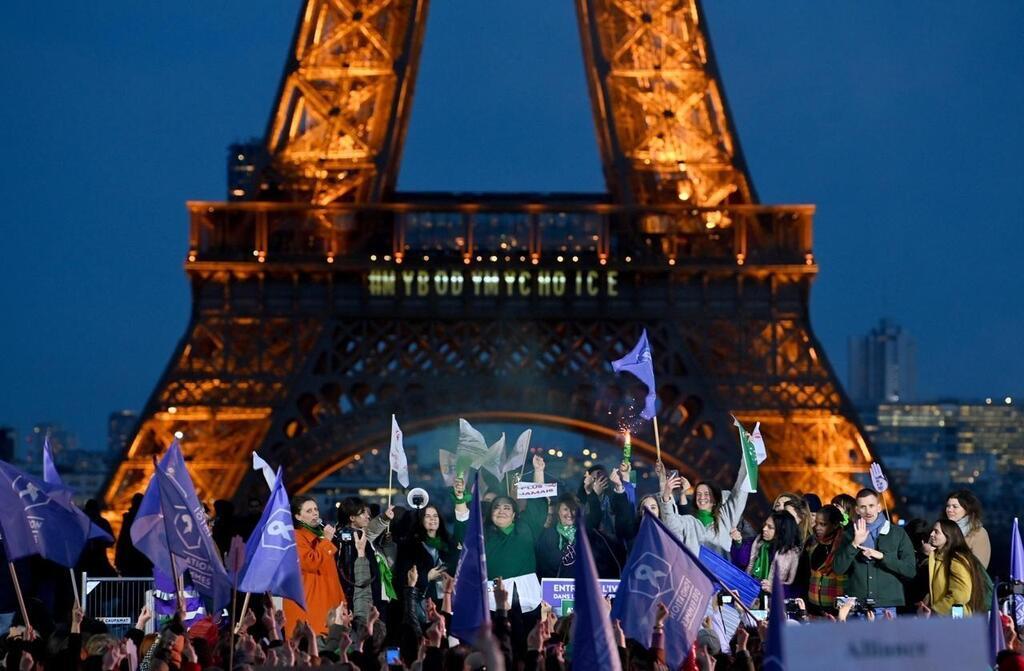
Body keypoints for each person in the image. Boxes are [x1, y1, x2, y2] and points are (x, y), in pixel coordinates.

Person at [832, 488, 916, 618]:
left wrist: (881, 556)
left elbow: (910, 570)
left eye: (871, 506)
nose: (868, 511)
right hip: (856, 607)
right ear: (857, 510)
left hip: (886, 607)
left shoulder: (897, 533)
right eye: (863, 507)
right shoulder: (848, 534)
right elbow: (838, 568)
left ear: (879, 507)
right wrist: (854, 543)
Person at [656, 455, 752, 557]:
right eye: (699, 494)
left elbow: (740, 492)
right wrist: (665, 492)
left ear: (715, 499)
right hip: (693, 572)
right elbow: (670, 523)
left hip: (717, 572)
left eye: (707, 494)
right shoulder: (689, 522)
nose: (702, 497)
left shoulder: (726, 519)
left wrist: (748, 458)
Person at [284, 494, 345, 635]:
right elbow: (310, 562)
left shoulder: (320, 538)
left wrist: (342, 602)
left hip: (329, 603)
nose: (315, 513)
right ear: (298, 517)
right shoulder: (295, 536)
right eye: (309, 511)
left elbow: (332, 575)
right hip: (311, 604)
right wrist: (327, 540)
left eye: (316, 509)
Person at [535, 493, 624, 579]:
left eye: (573, 509)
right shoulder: (549, 534)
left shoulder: (587, 533)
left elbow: (600, 561)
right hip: (558, 589)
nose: (570, 513)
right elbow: (544, 563)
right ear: (558, 511)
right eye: (565, 509)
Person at [336, 497, 397, 618]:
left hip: (372, 596)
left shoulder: (360, 536)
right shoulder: (351, 540)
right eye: (363, 513)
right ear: (352, 518)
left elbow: (370, 531)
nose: (368, 516)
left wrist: (384, 519)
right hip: (365, 600)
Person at [395, 503, 457, 618]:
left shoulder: (449, 543)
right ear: (420, 520)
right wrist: (427, 576)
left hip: (448, 600)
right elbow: (401, 578)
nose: (432, 519)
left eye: (435, 515)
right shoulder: (409, 546)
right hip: (423, 603)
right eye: (427, 516)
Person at [923, 518, 987, 616]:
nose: (931, 534)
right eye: (932, 531)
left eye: (936, 532)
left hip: (956, 618)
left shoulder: (956, 559)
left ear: (948, 536)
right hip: (943, 618)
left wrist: (936, 610)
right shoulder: (938, 558)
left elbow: (960, 594)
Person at [746, 512, 802, 597]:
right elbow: (745, 562)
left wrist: (773, 588)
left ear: (782, 530)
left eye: (770, 527)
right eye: (765, 525)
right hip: (752, 593)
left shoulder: (792, 554)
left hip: (776, 603)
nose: (764, 529)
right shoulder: (759, 542)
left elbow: (795, 587)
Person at [806, 504, 847, 615]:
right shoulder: (813, 543)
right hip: (814, 607)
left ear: (835, 524)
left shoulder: (844, 545)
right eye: (817, 523)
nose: (817, 527)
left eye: (823, 524)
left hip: (836, 609)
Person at [942, 489, 991, 569]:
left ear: (967, 509)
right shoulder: (941, 529)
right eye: (948, 506)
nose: (949, 510)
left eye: (955, 507)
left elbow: (979, 566)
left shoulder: (978, 533)